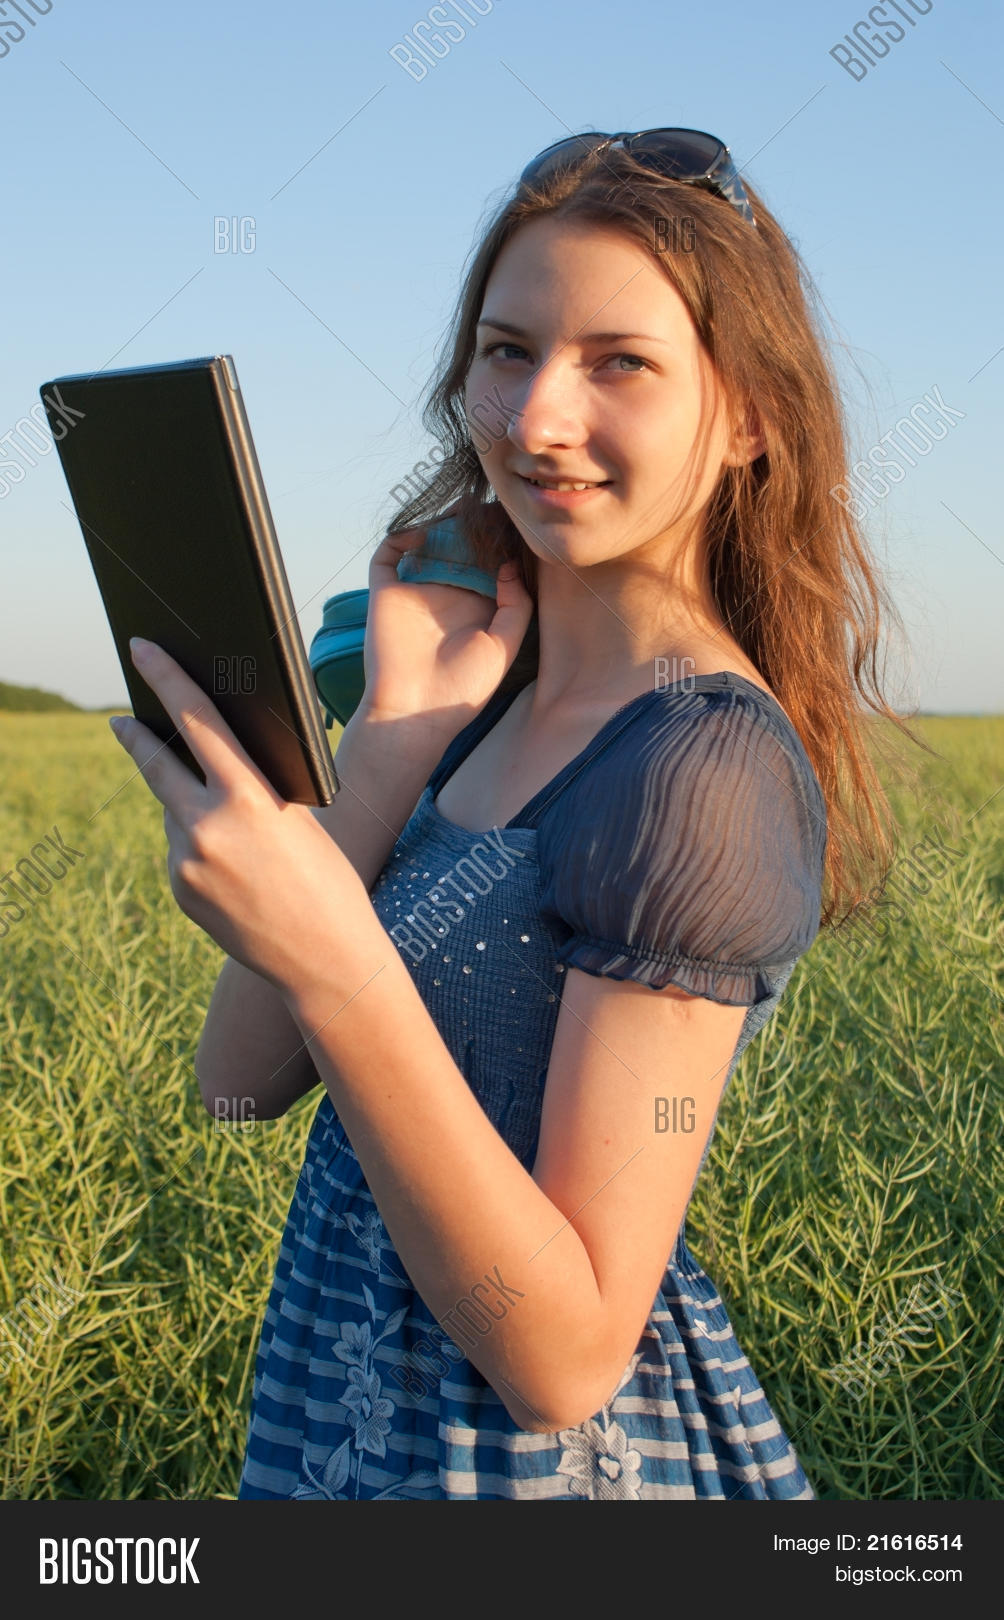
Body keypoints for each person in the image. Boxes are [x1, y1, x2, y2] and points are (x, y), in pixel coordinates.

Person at [113, 130, 913, 1499]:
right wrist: (388, 750)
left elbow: (567, 1361)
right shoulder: (475, 706)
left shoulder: (697, 768)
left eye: (621, 362)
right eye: (507, 350)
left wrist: (336, 957)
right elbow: (239, 1086)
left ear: (750, 419)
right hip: (341, 1425)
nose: (537, 419)